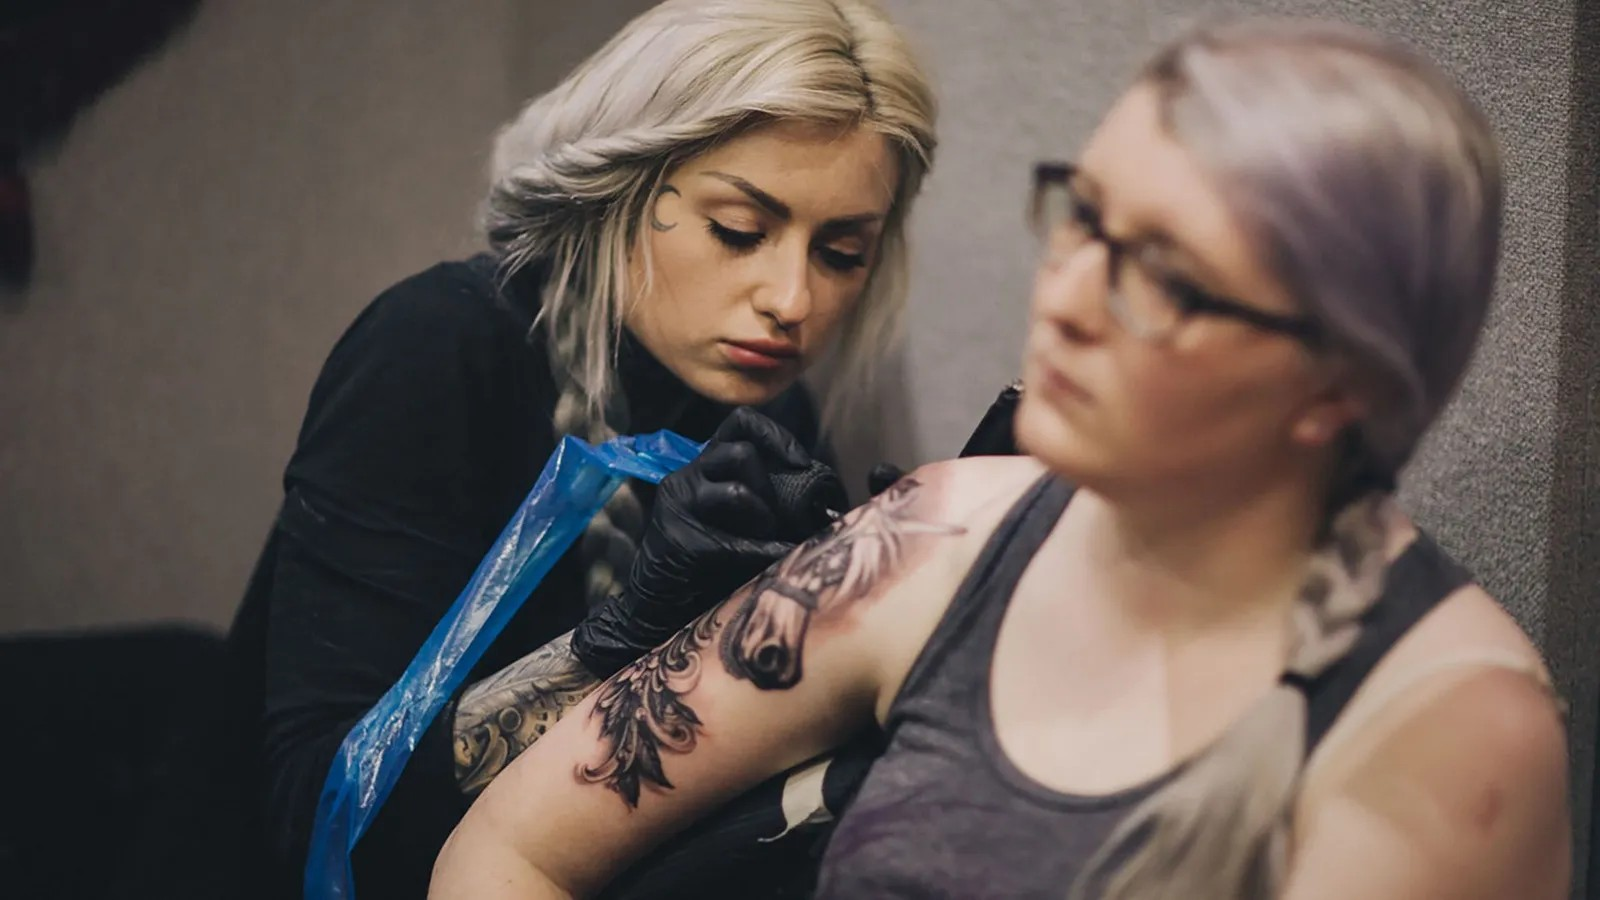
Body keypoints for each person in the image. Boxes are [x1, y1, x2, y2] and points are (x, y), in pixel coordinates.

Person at [430, 18, 1572, 900]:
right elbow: (506, 848)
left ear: (1340, 385)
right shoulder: (930, 538)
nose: (1066, 300)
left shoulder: (1449, 732)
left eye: (1165, 278)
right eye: (1082, 217)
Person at [223, 1, 937, 896]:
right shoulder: (440, 350)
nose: (792, 298)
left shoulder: (773, 414)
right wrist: (615, 642)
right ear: (622, 187)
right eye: (739, 231)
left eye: (840, 252)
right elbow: (319, 819)